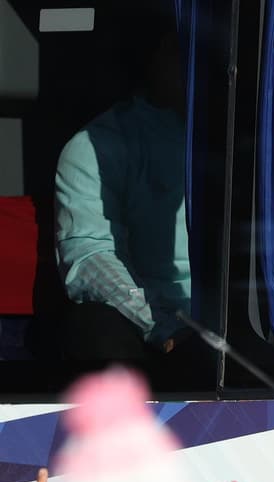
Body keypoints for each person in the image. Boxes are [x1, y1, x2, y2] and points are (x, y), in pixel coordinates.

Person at [53, 15, 190, 359]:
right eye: (184, 48)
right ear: (162, 52)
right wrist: (160, 324)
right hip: (158, 331)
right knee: (99, 329)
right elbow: (91, 254)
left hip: (256, 327)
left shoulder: (263, 143)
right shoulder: (98, 146)